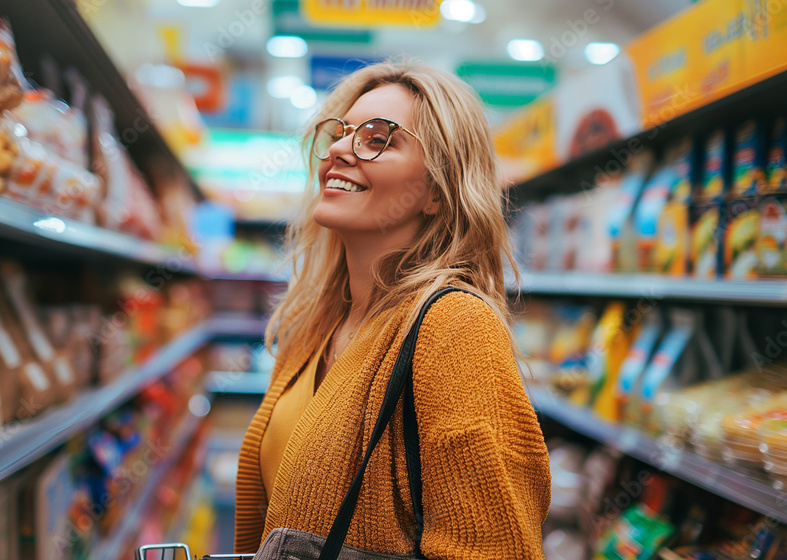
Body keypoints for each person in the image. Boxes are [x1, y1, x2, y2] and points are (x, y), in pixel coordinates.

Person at [234, 61, 550, 559]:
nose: (338, 149)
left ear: (435, 191)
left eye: (378, 138)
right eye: (339, 133)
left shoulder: (455, 330)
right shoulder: (313, 325)